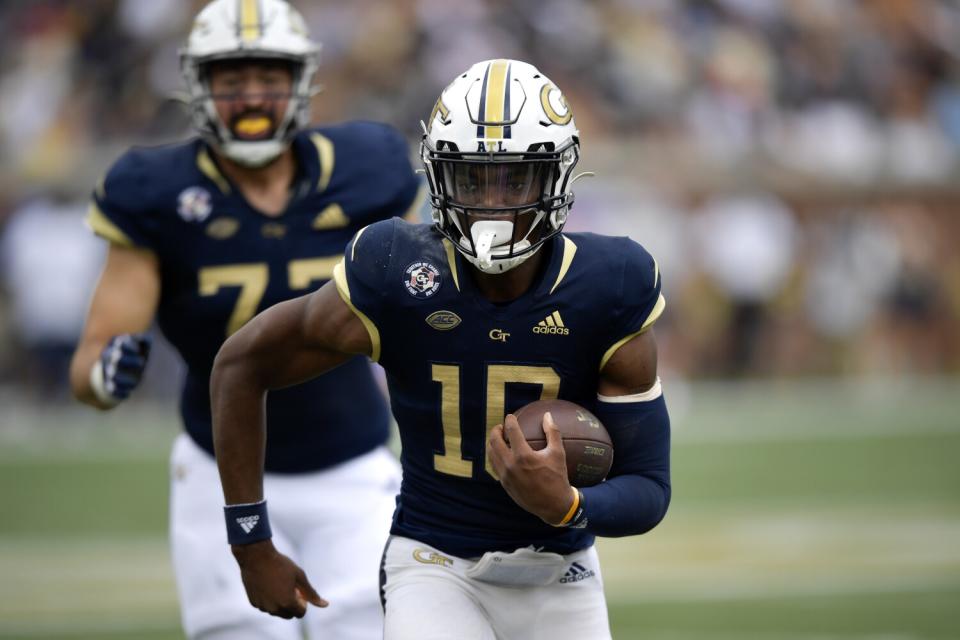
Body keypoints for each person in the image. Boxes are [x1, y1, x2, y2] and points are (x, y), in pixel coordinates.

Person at [210, 59, 671, 640]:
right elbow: (240, 363)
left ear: (558, 175)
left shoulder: (611, 283)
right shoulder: (396, 271)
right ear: (437, 174)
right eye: (472, 177)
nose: (493, 203)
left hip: (561, 570)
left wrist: (569, 506)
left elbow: (650, 488)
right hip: (434, 563)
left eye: (516, 178)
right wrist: (250, 541)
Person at [69, 1, 421, 638]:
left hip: (350, 462)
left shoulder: (367, 169)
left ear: (301, 82)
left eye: (268, 79)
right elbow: (94, 357)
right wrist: (105, 377)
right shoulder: (157, 190)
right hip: (216, 469)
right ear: (200, 87)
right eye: (232, 82)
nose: (251, 97)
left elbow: (425, 297)